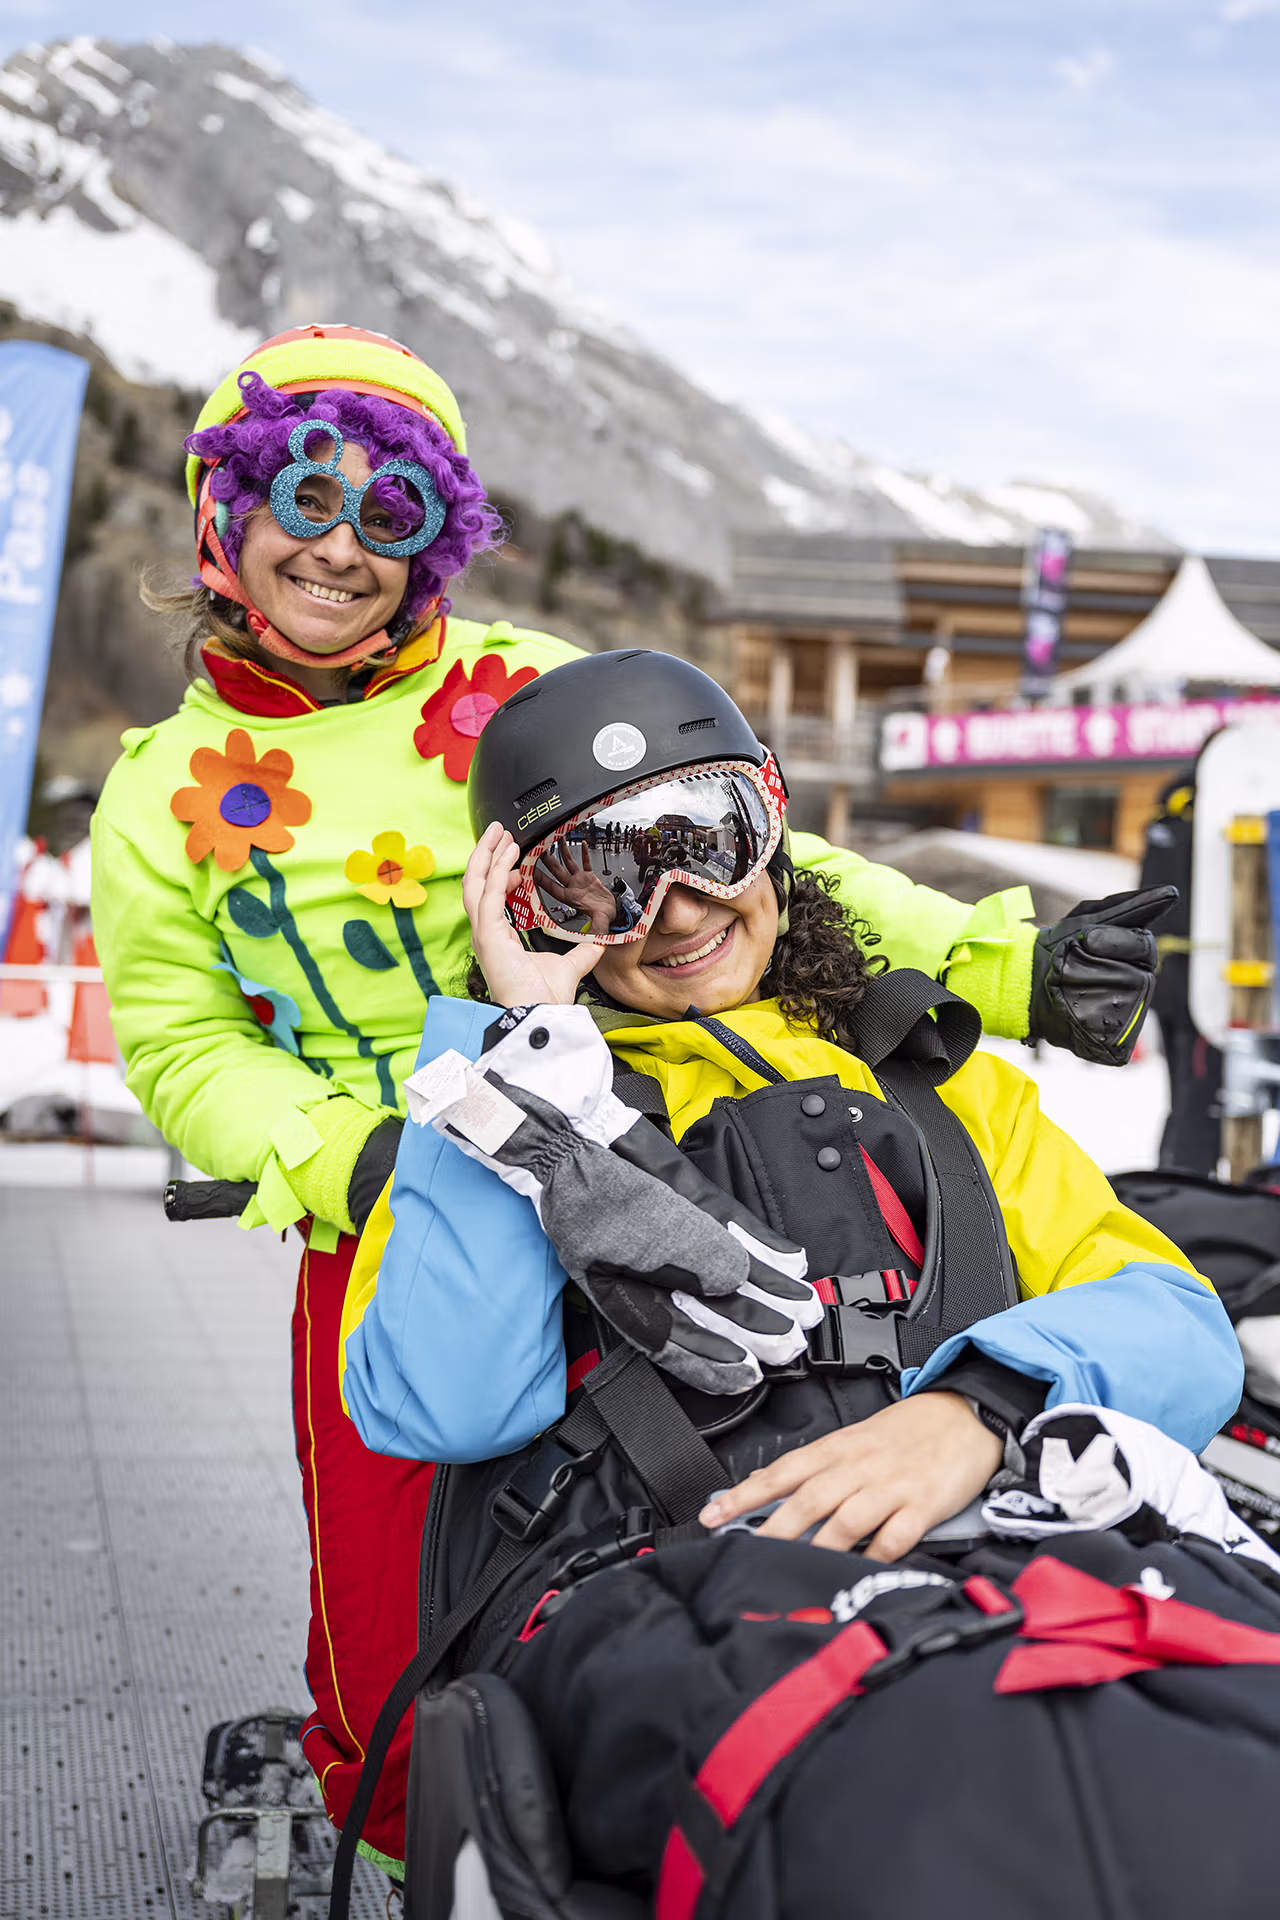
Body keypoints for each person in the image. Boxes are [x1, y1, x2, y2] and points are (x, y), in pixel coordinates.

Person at [88, 324, 1163, 1884]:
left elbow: (762, 874)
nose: (340, 543)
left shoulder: (525, 686)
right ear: (222, 512)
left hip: (659, 1137)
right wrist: (355, 1154)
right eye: (301, 492)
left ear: (435, 540)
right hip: (408, 1195)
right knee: (396, 1569)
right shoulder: (156, 794)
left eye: (392, 515)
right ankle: (403, 1820)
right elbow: (183, 1045)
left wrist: (1000, 968)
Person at [333, 652, 1251, 1912]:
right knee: (933, 1797)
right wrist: (515, 1057)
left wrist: (973, 1409)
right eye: (599, 877)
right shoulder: (492, 1115)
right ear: (535, 910)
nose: (672, 910)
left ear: (770, 824)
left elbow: (1175, 1325)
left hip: (991, 1549)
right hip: (670, 1602)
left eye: (705, 837)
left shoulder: (935, 1089)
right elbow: (445, 1404)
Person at [1139, 767, 1223, 1174]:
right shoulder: (1204, 819)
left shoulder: (1166, 817)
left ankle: (1175, 1168)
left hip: (1165, 972)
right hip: (1201, 977)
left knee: (1184, 1086)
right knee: (1202, 1088)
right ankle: (1189, 1177)